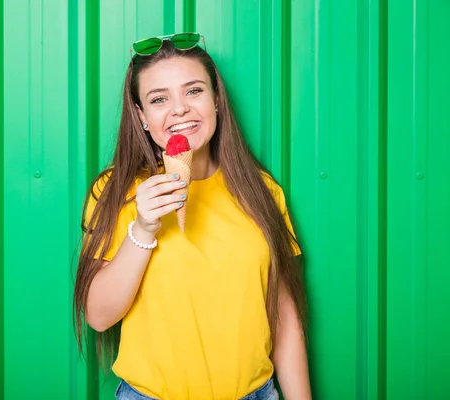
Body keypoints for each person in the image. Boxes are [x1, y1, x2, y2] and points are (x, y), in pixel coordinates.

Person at [73, 32, 311, 400]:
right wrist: (144, 227)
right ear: (142, 116)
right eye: (158, 98)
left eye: (194, 91)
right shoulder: (116, 192)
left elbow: (283, 320)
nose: (179, 109)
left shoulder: (262, 190)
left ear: (216, 99)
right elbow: (99, 316)